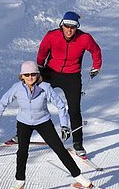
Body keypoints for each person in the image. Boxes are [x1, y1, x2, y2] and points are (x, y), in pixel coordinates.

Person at [0, 61, 92, 189]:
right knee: (22, 152)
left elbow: (60, 105)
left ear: (38, 75)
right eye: (27, 75)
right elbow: (3, 102)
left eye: (33, 74)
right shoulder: (17, 88)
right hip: (24, 123)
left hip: (43, 122)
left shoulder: (45, 87)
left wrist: (64, 126)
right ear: (22, 76)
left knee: (59, 149)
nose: (30, 77)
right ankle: (20, 181)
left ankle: (79, 177)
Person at [36, 11, 102, 156]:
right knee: (34, 100)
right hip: (51, 72)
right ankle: (21, 134)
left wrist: (96, 66)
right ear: (62, 25)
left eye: (73, 27)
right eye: (66, 26)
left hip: (72, 76)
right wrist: (40, 67)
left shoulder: (84, 38)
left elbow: (96, 51)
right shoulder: (52, 36)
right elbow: (42, 51)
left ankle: (78, 144)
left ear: (77, 27)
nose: (69, 30)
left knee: (74, 110)